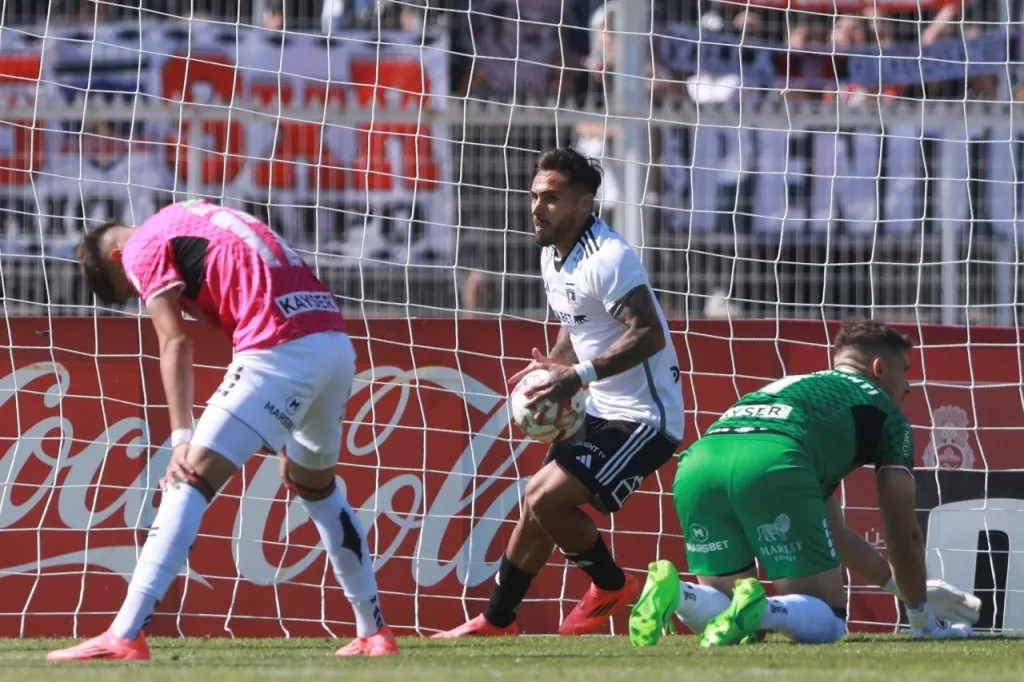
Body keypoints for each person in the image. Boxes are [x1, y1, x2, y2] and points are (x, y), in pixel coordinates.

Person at [48, 199, 398, 660]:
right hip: (332, 340)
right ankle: (374, 633)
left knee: (186, 479)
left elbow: (174, 340)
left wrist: (180, 437)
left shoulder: (138, 248)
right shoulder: (191, 213)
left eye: (133, 290)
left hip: (278, 346)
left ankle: (125, 635)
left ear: (116, 257)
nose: (142, 292)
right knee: (315, 488)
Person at [433, 148, 684, 638]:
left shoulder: (609, 257)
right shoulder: (553, 254)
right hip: (599, 407)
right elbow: (577, 322)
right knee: (534, 506)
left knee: (542, 497)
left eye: (552, 197)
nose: (536, 207)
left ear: (585, 204)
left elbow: (650, 332)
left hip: (643, 420)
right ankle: (497, 620)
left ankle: (613, 586)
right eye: (534, 196)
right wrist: (558, 365)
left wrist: (580, 375)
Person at [628, 318, 975, 647]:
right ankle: (761, 607)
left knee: (737, 618)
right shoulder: (885, 412)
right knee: (829, 618)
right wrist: (922, 616)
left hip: (699, 462)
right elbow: (903, 535)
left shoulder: (804, 389)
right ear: (879, 368)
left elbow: (836, 537)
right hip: (773, 460)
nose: (910, 387)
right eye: (906, 373)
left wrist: (904, 589)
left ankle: (678, 593)